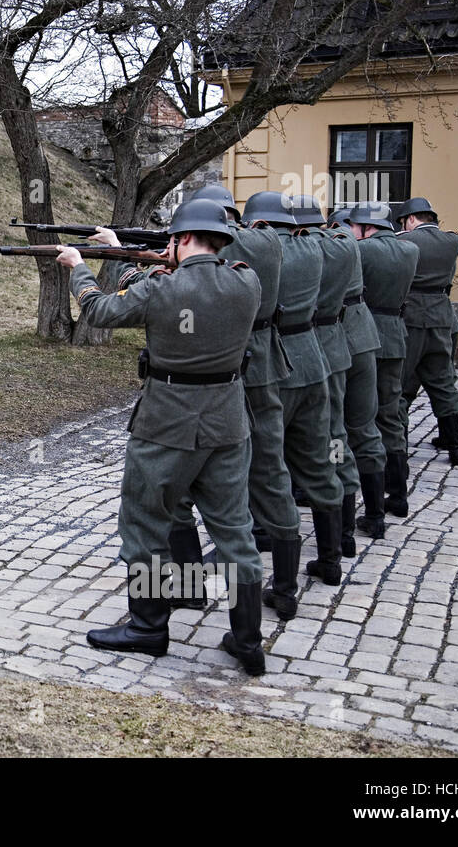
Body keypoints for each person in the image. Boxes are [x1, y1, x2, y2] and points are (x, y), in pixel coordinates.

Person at [59, 197, 266, 676]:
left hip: (167, 424)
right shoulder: (247, 282)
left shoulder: (161, 288)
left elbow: (101, 312)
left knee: (145, 523)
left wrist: (80, 268)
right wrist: (123, 251)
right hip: (227, 422)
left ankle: (148, 629)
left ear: (183, 238)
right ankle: (249, 640)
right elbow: (172, 288)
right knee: (234, 530)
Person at [167, 185, 296, 618]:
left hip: (230, 376)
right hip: (262, 366)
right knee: (268, 471)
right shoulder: (264, 243)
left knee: (187, 484)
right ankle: (284, 585)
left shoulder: (245, 244)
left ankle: (190, 586)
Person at [242, 192, 345, 591]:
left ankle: (264, 549)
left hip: (273, 365)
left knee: (264, 464)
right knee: (318, 462)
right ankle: (331, 559)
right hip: (313, 360)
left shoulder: (262, 248)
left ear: (260, 224)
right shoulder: (316, 247)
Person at [351, 202, 419, 523]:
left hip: (366, 337)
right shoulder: (410, 251)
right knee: (390, 415)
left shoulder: (363, 251)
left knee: (363, 419)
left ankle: (372, 505)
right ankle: (399, 495)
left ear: (366, 227)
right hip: (396, 335)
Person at [328, 204, 389, 545]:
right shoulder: (355, 247)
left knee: (336, 433)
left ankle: (344, 530)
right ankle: (376, 517)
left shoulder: (327, 245)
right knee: (365, 428)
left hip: (336, 338)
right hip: (364, 335)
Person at [396, 197, 458, 466]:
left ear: (411, 219)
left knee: (400, 385)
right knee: (444, 382)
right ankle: (456, 447)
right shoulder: (452, 242)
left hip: (411, 316)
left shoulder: (404, 241)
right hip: (441, 316)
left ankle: (398, 448)